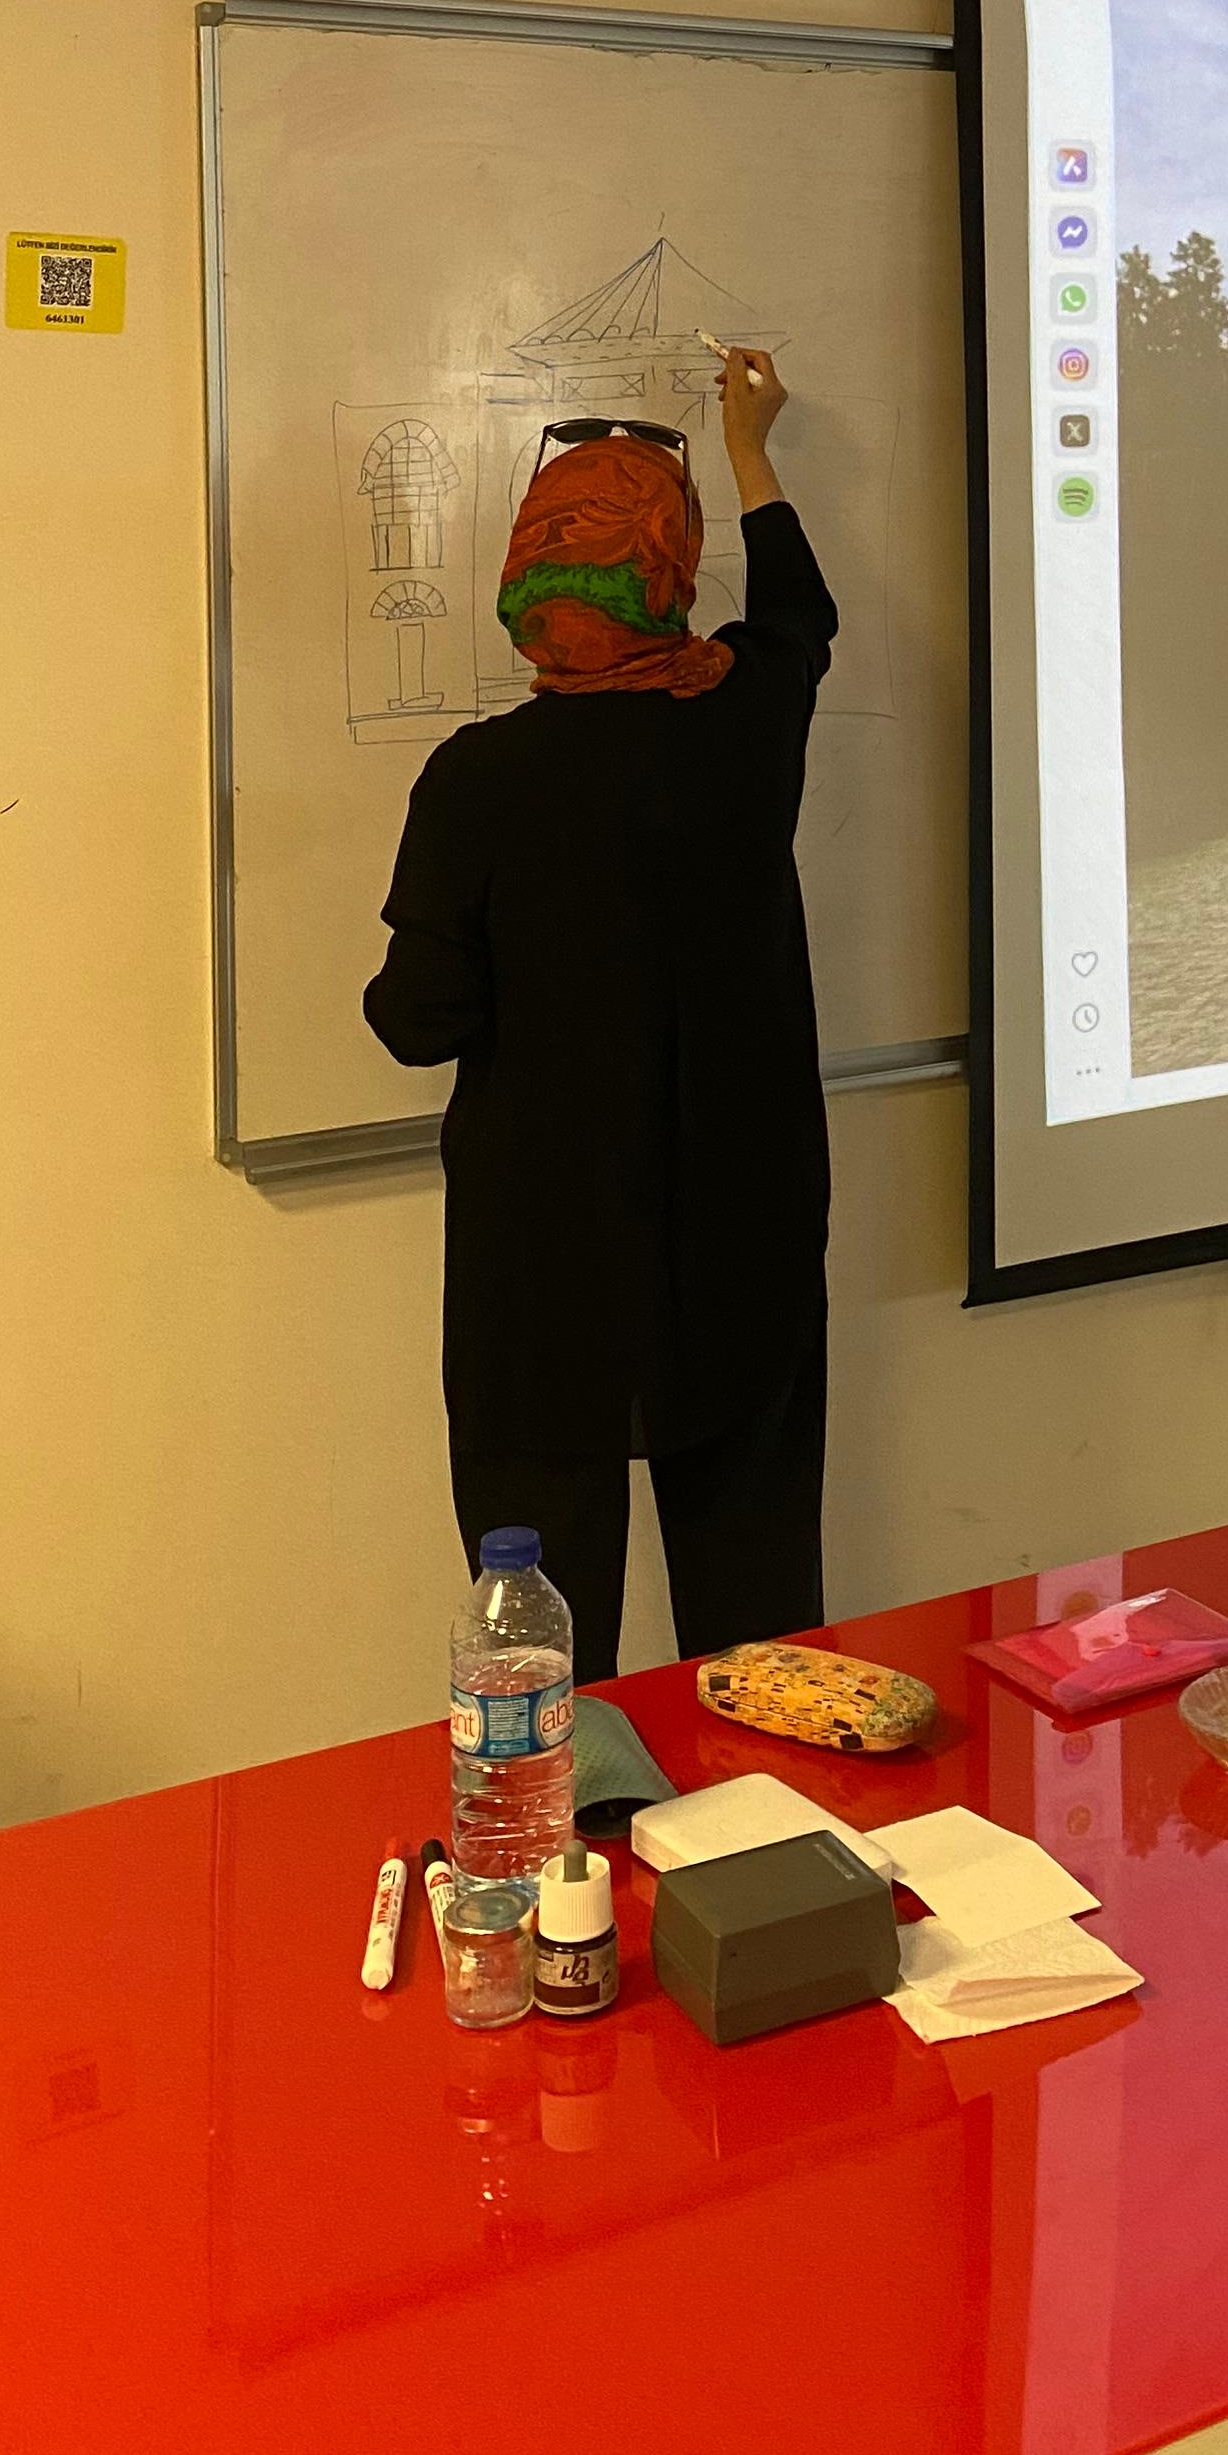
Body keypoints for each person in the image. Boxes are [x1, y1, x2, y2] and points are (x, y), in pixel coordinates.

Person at [363, 352, 835, 1681]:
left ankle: (574, 1817)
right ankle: (764, 1812)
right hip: (742, 1257)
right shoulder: (745, 720)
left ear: (528, 582)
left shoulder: (478, 780)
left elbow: (419, 1020)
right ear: (669, 571)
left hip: (543, 1284)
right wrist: (749, 449)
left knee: (544, 1662)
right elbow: (801, 615)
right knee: (760, 1634)